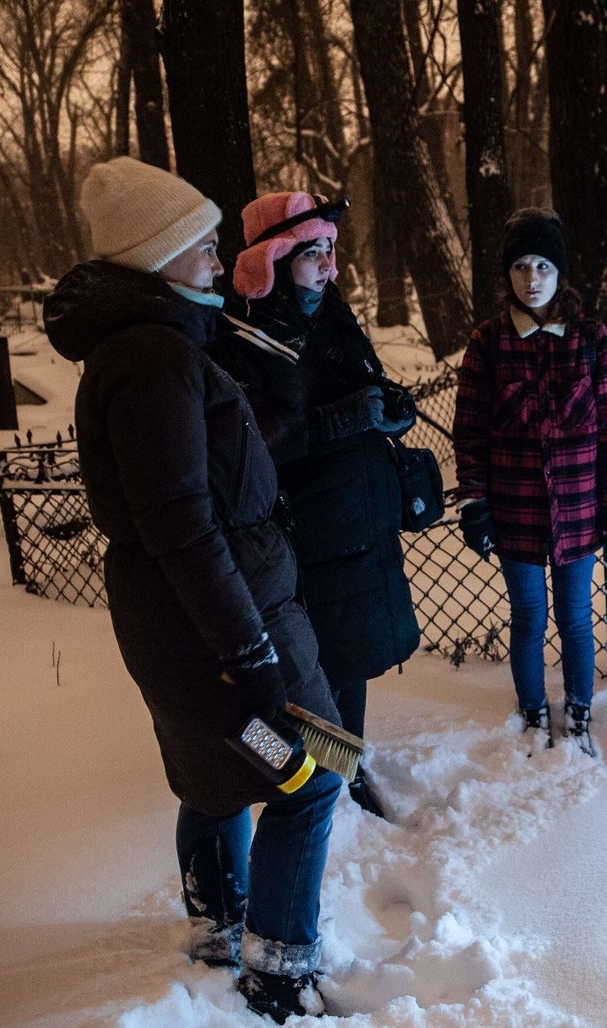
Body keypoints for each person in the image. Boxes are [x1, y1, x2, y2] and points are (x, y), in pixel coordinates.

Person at [44, 157, 342, 1023]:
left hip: (205, 628)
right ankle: (278, 971)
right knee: (315, 772)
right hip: (222, 636)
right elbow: (180, 523)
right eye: (205, 251)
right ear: (160, 258)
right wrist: (246, 652)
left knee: (213, 781)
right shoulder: (151, 361)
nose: (219, 264)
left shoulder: (158, 348)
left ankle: (219, 928)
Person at [207, 192, 419, 818]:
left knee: (350, 657)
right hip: (305, 533)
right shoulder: (243, 335)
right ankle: (324, 782)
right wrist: (342, 421)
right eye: (313, 254)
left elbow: (362, 379)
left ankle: (345, 768)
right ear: (274, 260)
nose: (330, 268)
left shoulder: (330, 313)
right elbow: (254, 439)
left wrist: (389, 402)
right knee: (312, 667)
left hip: (356, 524)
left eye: (331, 251)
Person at [452, 208, 607, 751]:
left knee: (576, 619)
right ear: (507, 274)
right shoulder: (487, 342)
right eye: (521, 267)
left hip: (578, 509)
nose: (531, 279)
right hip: (515, 510)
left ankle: (579, 710)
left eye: (543, 267)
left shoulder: (590, 338)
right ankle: (532, 711)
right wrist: (475, 503)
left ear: (561, 273)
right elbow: (470, 432)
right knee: (528, 617)